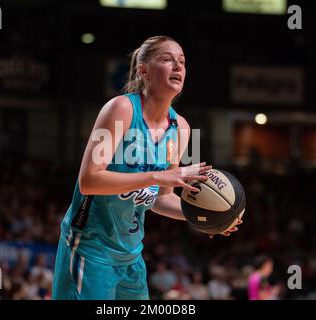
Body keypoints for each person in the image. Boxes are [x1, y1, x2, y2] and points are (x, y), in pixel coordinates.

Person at [52, 35, 241, 300]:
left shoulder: (183, 129)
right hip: (90, 249)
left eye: (182, 62)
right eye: (167, 59)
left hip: (131, 255)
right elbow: (89, 181)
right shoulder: (120, 109)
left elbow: (161, 198)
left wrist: (206, 217)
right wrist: (158, 175)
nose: (177, 66)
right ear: (143, 70)